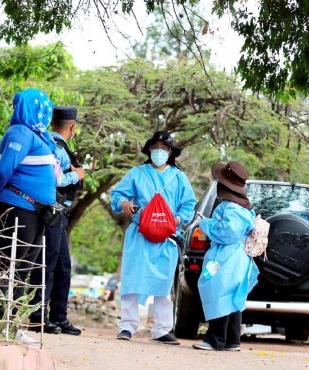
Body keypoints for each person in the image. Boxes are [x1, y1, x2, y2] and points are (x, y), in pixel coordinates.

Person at [0, 88, 57, 345]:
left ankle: (10, 323)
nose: (47, 111)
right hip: (16, 207)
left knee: (23, 268)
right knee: (8, 265)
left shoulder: (39, 135)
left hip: (36, 212)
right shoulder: (20, 132)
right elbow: (3, 169)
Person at [111, 131, 196, 344]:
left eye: (164, 148)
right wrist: (124, 204)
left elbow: (188, 205)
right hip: (139, 234)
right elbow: (117, 195)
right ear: (149, 150)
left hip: (166, 237)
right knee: (131, 280)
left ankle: (161, 330)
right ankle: (127, 326)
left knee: (164, 283)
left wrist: (177, 219)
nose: (159, 152)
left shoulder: (179, 177)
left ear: (170, 152)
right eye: (155, 147)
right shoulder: (136, 173)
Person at [28, 106, 85, 336]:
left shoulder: (57, 144)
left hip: (59, 213)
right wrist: (77, 175)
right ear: (73, 126)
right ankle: (38, 316)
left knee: (62, 266)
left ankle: (58, 317)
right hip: (50, 212)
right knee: (47, 264)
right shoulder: (54, 146)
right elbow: (53, 179)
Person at [192, 161, 259, 352]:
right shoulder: (244, 208)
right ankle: (232, 340)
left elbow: (228, 233)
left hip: (227, 256)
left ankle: (215, 339)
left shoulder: (232, 208)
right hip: (238, 257)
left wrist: (205, 225)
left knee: (218, 292)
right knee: (233, 296)